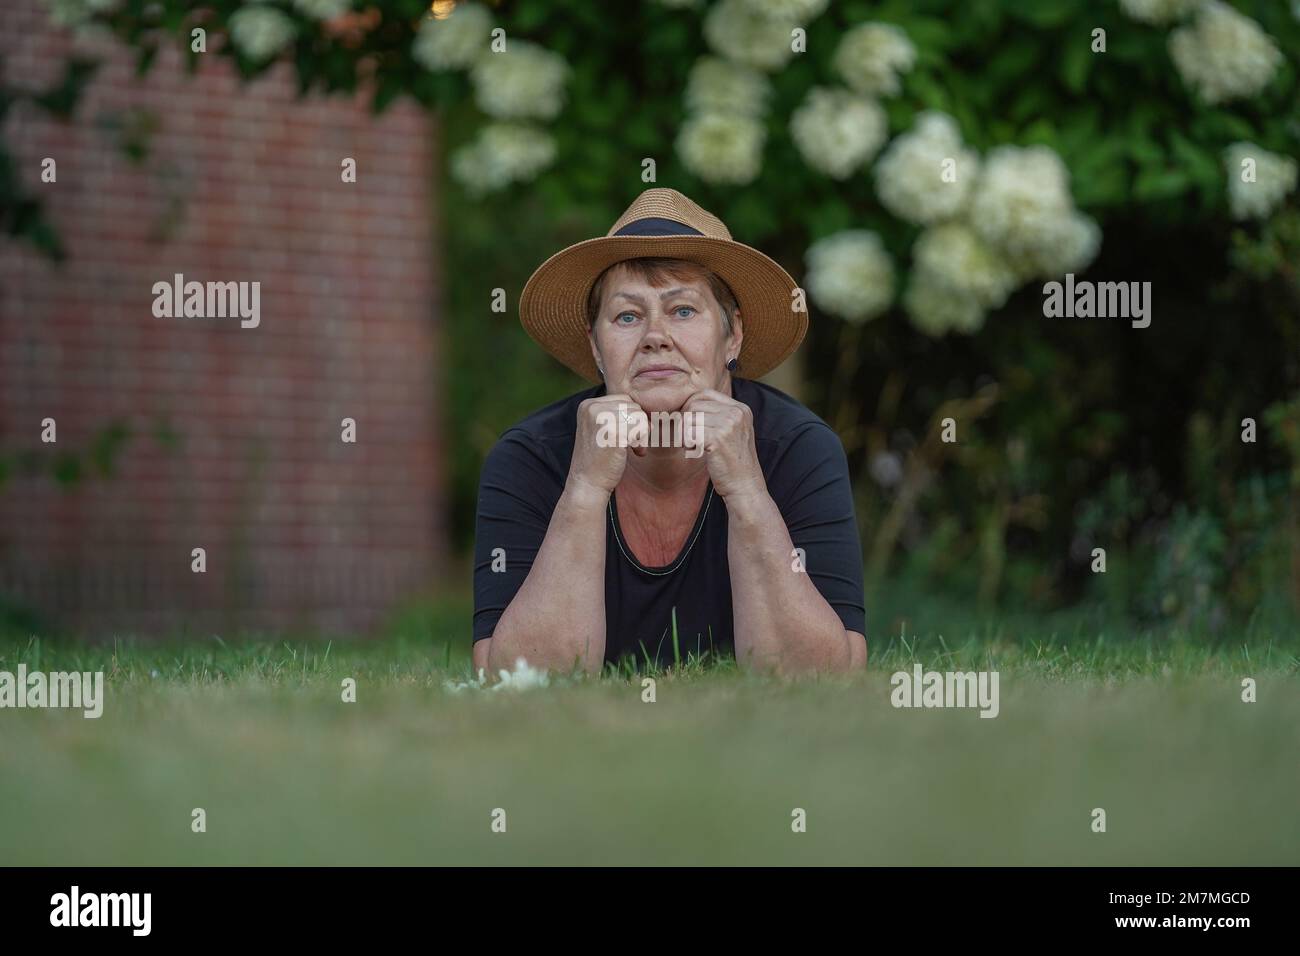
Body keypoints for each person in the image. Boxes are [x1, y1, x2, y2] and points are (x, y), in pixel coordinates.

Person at [472, 188, 866, 676]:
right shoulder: (529, 457)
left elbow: (820, 678)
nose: (656, 336)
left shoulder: (799, 447)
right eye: (628, 316)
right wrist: (585, 489)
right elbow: (521, 678)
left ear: (733, 335)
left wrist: (746, 489)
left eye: (683, 310)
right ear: (596, 347)